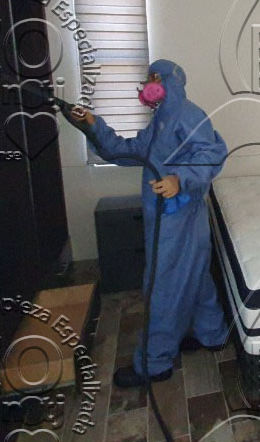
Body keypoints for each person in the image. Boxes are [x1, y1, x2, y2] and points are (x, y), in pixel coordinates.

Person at [72, 60, 230, 386]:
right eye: (147, 78)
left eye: (153, 78)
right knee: (196, 275)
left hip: (177, 217)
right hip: (177, 217)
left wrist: (179, 179)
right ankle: (212, 334)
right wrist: (93, 125)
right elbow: (129, 151)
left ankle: (155, 362)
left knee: (163, 287)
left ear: (170, 81)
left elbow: (212, 154)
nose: (147, 84)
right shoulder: (161, 119)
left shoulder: (188, 114)